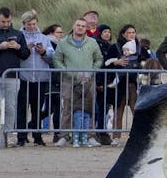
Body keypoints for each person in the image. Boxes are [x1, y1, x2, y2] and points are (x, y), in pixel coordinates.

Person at [53, 18, 102, 147]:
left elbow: (99, 59)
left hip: (88, 81)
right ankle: (64, 136)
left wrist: (90, 72)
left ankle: (90, 136)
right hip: (69, 81)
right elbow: (57, 60)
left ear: (86, 28)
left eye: (83, 26)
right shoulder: (63, 43)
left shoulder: (92, 42)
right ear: (73, 26)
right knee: (67, 107)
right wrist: (68, 72)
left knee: (89, 108)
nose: (80, 27)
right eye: (78, 25)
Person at [0, 7, 30, 146]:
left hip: (13, 76)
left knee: (10, 107)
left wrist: (19, 47)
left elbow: (25, 54)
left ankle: (9, 135)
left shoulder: (18, 34)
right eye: (3, 21)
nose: (6, 24)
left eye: (8, 21)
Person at [16, 12, 54, 146]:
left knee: (37, 108)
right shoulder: (18, 36)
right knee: (22, 108)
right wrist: (25, 49)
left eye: (34, 24)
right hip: (23, 77)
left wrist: (43, 52)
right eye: (28, 24)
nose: (32, 27)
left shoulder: (45, 38)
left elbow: (51, 56)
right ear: (23, 24)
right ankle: (21, 137)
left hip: (40, 78)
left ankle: (38, 136)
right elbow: (16, 55)